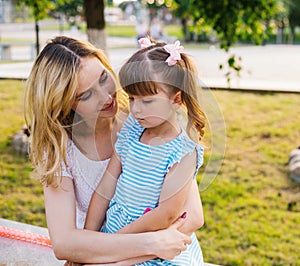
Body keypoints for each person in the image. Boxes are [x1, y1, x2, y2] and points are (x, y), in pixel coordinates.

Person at [24, 36, 204, 265]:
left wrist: (113, 257)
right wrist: (148, 244)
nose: (106, 96)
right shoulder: (60, 150)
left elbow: (192, 216)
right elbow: (64, 243)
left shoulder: (143, 122)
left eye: (103, 78)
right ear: (64, 102)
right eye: (86, 95)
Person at [85, 37, 206, 265]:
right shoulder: (132, 129)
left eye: (147, 101)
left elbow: (165, 216)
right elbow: (104, 190)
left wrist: (109, 246)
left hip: (152, 247)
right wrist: (88, 242)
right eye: (132, 98)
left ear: (176, 99)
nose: (136, 109)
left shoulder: (183, 151)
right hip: (113, 236)